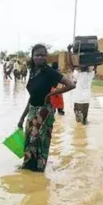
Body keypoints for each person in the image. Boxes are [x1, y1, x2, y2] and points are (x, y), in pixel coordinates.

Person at [17, 44, 75, 172]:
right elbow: (31, 97)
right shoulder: (32, 72)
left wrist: (52, 93)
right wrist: (22, 118)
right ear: (32, 57)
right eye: (37, 55)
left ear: (46, 57)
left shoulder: (49, 72)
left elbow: (71, 85)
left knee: (40, 143)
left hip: (44, 111)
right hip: (32, 110)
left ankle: (39, 170)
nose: (40, 58)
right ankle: (27, 168)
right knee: (29, 140)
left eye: (43, 55)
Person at [67, 44, 97, 125]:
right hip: (86, 99)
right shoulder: (91, 74)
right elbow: (96, 64)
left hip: (77, 99)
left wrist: (69, 51)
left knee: (78, 121)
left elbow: (70, 64)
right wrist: (95, 53)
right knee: (84, 120)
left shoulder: (77, 74)